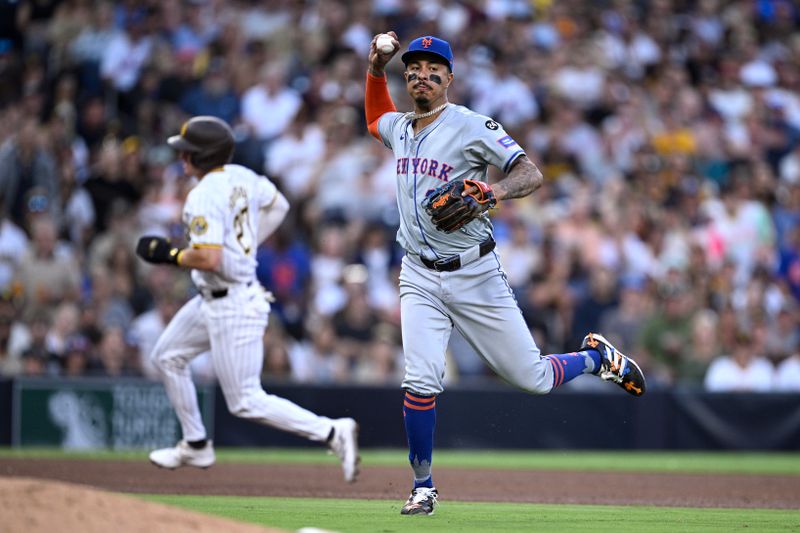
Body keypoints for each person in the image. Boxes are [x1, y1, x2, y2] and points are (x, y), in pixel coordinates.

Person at [364, 33, 646, 515]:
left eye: (433, 68)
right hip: (418, 275)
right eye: (413, 68)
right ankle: (424, 486)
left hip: (475, 272)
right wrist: (374, 68)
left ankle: (595, 359)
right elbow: (374, 117)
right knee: (420, 378)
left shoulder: (473, 125)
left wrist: (492, 194)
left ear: (449, 78)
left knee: (532, 378)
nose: (421, 74)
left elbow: (530, 173)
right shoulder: (401, 128)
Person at [134, 116, 359, 482]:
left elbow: (208, 258)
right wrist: (248, 242)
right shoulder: (243, 176)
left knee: (245, 401)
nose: (181, 158)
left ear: (200, 156)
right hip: (213, 297)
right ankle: (195, 443)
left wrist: (170, 255)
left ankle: (332, 431)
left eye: (186, 152)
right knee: (167, 356)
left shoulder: (203, 195)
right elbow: (280, 206)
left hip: (233, 303)